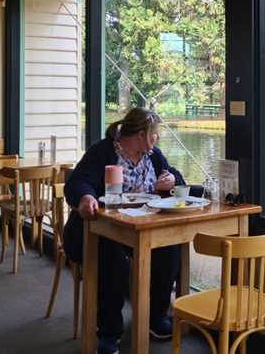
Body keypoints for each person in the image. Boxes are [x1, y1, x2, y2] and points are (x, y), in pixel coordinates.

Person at [64, 107, 186, 353]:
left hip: (139, 230)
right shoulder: (104, 151)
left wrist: (171, 180)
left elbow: (176, 179)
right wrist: (87, 197)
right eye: (154, 133)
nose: (157, 138)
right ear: (140, 134)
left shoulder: (153, 155)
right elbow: (77, 183)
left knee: (170, 249)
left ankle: (155, 316)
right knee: (114, 260)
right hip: (96, 231)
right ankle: (109, 331)